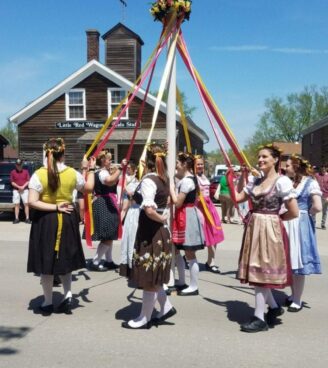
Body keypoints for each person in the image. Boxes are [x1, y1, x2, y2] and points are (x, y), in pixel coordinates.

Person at [234, 144, 299, 333]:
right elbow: (238, 198)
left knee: (262, 273)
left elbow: (293, 211)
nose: (260, 160)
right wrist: (238, 178)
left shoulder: (282, 182)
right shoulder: (254, 181)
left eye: (265, 157)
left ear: (275, 160)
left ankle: (259, 317)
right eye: (259, 157)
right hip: (254, 228)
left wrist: (274, 220)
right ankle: (274, 307)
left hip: (270, 230)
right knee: (257, 271)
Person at [27, 138, 96, 315]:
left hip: (46, 221)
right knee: (65, 259)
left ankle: (48, 302)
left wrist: (54, 206)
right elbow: (88, 188)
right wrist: (92, 169)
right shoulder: (72, 173)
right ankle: (68, 294)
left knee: (46, 261)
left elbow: (32, 202)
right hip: (67, 219)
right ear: (63, 154)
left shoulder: (38, 174)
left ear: (46, 154)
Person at [122, 143, 175, 329]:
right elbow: (170, 201)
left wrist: (161, 218)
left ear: (147, 161)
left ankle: (144, 318)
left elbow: (149, 209)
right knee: (155, 274)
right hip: (160, 232)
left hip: (152, 232)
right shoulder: (164, 179)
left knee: (148, 276)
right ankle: (166, 306)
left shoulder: (149, 180)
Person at [284, 155, 322, 312]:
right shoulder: (290, 182)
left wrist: (306, 215)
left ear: (296, 167)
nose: (285, 168)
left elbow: (318, 206)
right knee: (291, 262)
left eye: (287, 166)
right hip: (288, 223)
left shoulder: (311, 183)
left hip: (300, 224)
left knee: (298, 262)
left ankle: (297, 300)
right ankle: (294, 295)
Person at [171, 152, 205, 296]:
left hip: (187, 216)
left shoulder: (187, 181)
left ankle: (194, 285)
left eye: (178, 164)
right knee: (177, 248)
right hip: (184, 215)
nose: (176, 166)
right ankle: (182, 280)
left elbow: (178, 203)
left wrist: (171, 189)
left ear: (185, 165)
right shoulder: (187, 179)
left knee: (189, 252)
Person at [86, 151, 126, 271]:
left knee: (110, 234)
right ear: (103, 161)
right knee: (108, 234)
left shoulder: (99, 172)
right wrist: (120, 168)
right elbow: (109, 181)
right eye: (109, 159)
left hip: (103, 202)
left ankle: (108, 260)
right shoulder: (102, 172)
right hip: (104, 203)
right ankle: (96, 261)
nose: (110, 161)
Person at [195, 156, 224, 273]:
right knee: (198, 236)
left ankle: (211, 261)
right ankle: (187, 256)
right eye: (198, 164)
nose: (200, 166)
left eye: (201, 164)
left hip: (209, 207)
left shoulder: (203, 176)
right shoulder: (193, 178)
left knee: (214, 233)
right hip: (199, 207)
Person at [119, 166, 141, 277]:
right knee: (132, 238)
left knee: (133, 239)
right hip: (134, 214)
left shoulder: (136, 184)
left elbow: (125, 205)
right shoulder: (133, 185)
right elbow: (125, 206)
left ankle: (132, 267)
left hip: (136, 214)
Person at [10, 158, 31, 224]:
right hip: (16, 190)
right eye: (17, 165)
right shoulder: (12, 172)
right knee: (17, 204)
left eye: (20, 164)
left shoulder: (26, 171)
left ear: (22, 164)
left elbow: (28, 181)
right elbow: (12, 182)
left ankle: (27, 218)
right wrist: (19, 187)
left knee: (26, 204)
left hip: (25, 190)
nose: (18, 166)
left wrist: (23, 187)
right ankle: (16, 218)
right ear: (15, 165)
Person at [315, 165, 328, 230]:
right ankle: (313, 222)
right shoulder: (317, 175)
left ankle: (323, 224)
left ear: (326, 169)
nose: (323, 170)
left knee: (325, 211)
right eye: (322, 169)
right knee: (316, 209)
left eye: (324, 169)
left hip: (326, 196)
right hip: (318, 195)